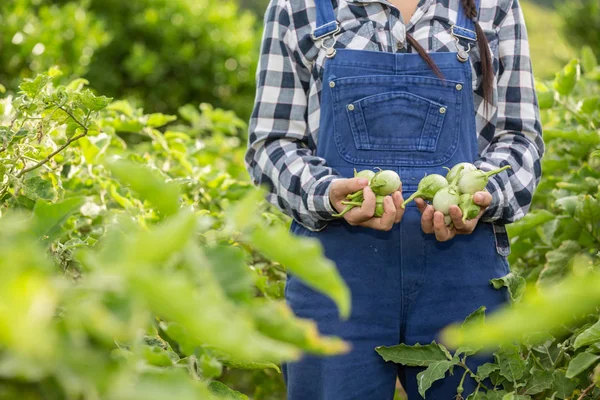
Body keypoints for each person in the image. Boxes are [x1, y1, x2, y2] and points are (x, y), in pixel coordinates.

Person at [245, 0, 544, 398]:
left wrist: (482, 198)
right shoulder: (297, 7)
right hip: (336, 282)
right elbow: (271, 143)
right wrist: (326, 193)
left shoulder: (494, 6)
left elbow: (519, 138)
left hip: (462, 279)